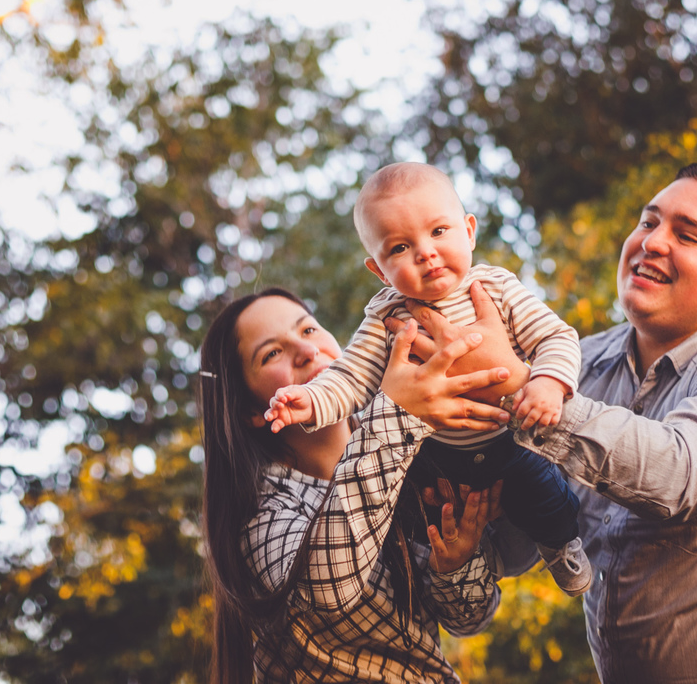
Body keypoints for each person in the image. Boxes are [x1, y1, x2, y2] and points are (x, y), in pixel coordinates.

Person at [394, 162, 697, 683]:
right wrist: (462, 542)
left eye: (688, 236)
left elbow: (678, 473)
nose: (653, 243)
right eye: (649, 222)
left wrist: (516, 380)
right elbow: (525, 539)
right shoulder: (578, 367)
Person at [266, 162, 591, 595]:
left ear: (469, 231)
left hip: (506, 438)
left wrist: (548, 383)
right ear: (379, 271)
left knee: (546, 493)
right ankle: (457, 567)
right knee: (414, 512)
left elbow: (556, 337)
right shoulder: (385, 316)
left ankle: (560, 545)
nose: (425, 252)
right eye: (400, 247)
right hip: (435, 455)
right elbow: (350, 377)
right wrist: (311, 401)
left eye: (438, 232)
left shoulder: (495, 287)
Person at [197, 287, 525, 684]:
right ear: (251, 411)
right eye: (271, 354)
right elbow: (328, 587)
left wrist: (455, 564)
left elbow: (471, 618)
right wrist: (398, 411)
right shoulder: (260, 515)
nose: (306, 351)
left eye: (309, 329)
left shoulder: (412, 458)